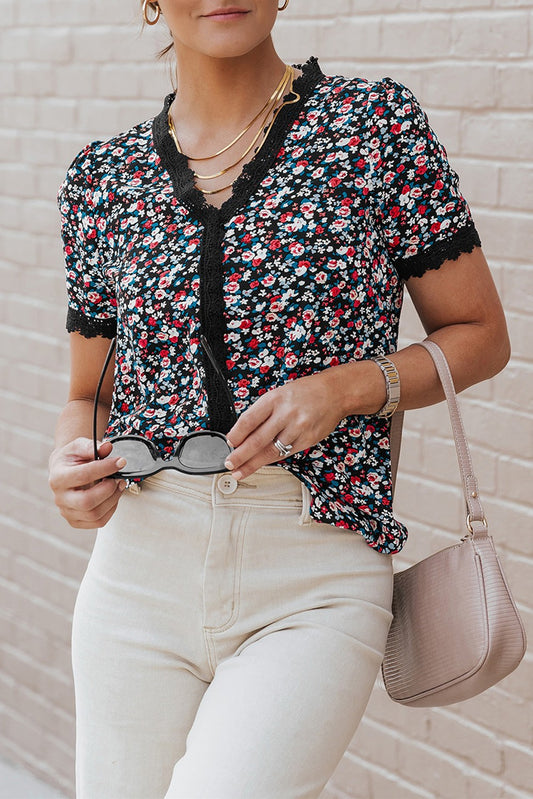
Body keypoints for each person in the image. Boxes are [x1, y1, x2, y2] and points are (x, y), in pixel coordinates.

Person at [48, 2, 510, 797]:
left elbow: (479, 334)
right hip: (137, 574)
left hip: (314, 571)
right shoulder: (101, 179)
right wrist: (70, 466)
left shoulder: (373, 128)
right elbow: (89, 393)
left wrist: (345, 388)